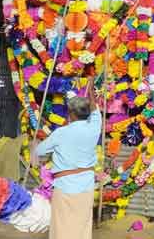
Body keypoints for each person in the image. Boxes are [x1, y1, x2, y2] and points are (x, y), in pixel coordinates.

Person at [34, 79, 101, 239]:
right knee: (82, 225)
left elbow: (39, 150)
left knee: (62, 227)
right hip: (86, 185)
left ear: (70, 114)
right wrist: (90, 88)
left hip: (64, 186)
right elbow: (95, 108)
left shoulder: (61, 133)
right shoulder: (95, 127)